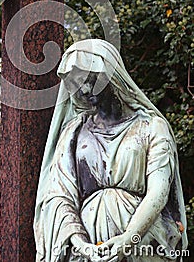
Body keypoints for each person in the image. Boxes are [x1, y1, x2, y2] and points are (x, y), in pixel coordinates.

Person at [34, 39, 187, 262]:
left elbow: (159, 192)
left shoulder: (151, 126)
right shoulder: (74, 131)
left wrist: (129, 239)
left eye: (90, 79)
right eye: (77, 83)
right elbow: (59, 196)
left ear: (110, 74)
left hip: (143, 243)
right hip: (86, 249)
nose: (85, 89)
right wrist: (81, 245)